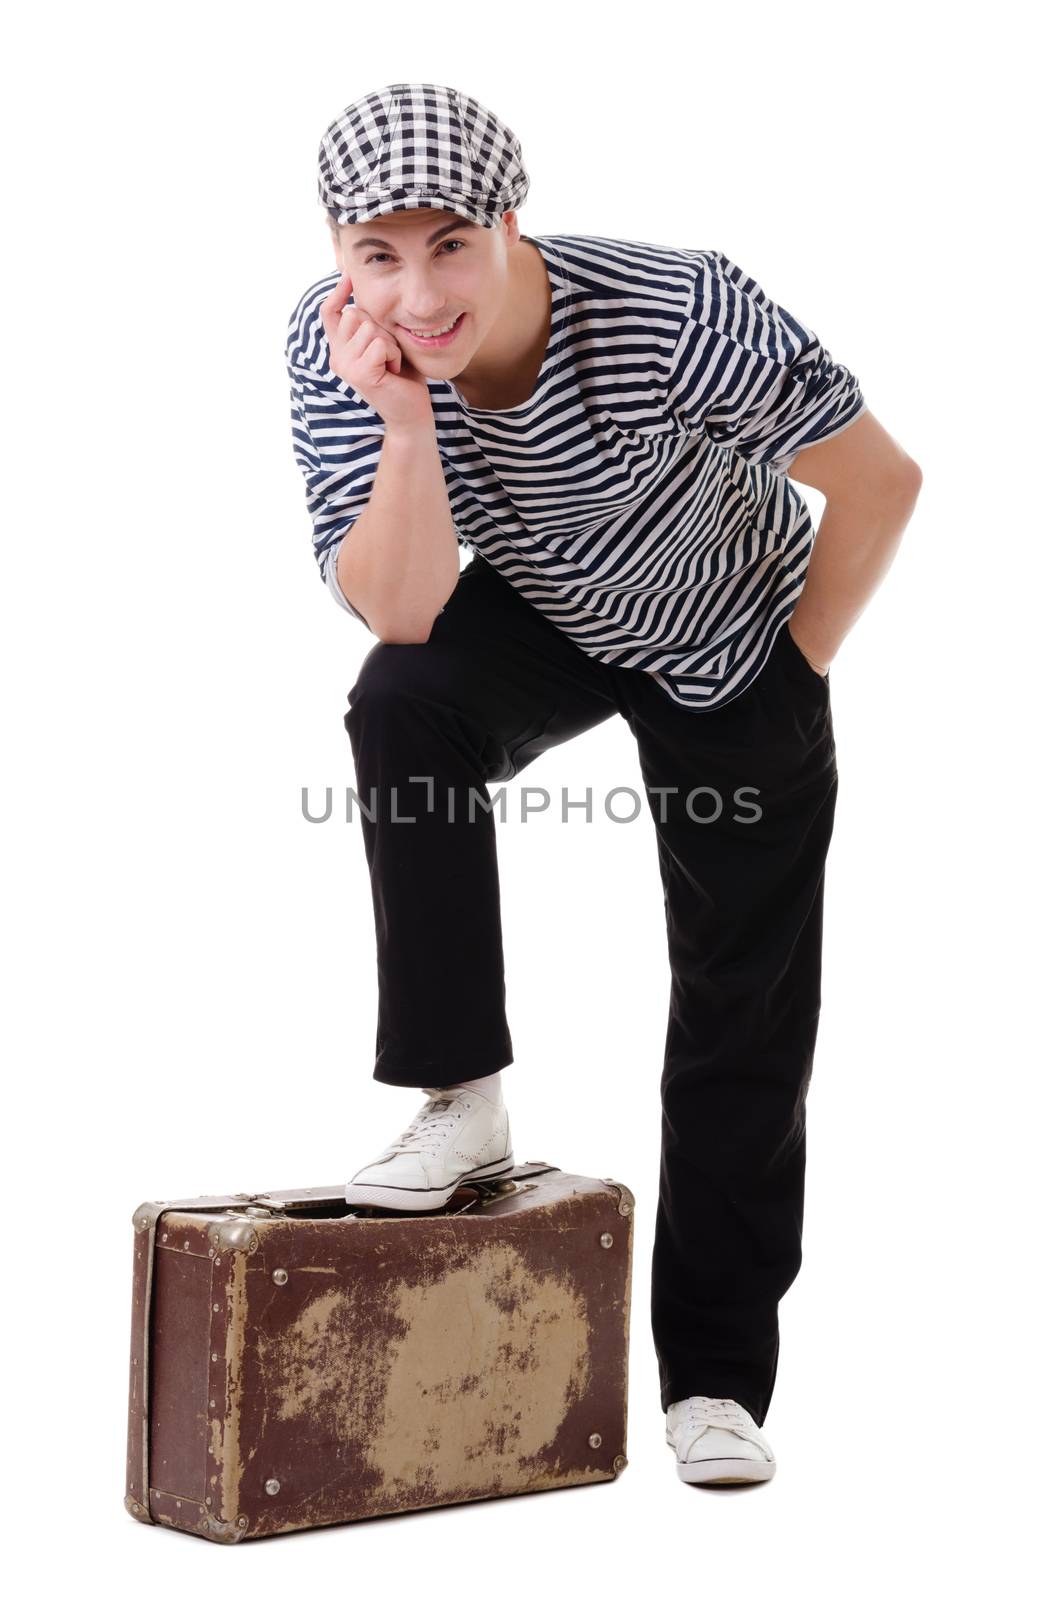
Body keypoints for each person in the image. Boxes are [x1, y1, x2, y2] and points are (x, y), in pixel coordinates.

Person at [286, 82, 922, 1486]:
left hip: (735, 635)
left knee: (738, 1011)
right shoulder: (335, 349)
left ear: (515, 225)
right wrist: (403, 425)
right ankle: (460, 1095)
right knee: (402, 706)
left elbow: (882, 480)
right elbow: (403, 610)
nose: (416, 289)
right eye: (375, 253)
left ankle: (715, 1385)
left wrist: (798, 670)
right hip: (553, 617)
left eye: (450, 243)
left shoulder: (679, 315)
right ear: (337, 251)